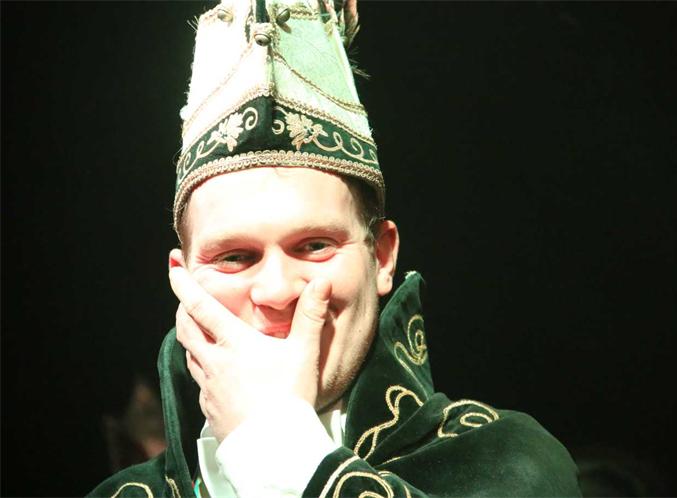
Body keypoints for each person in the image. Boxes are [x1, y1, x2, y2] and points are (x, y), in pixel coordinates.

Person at [89, 0, 580, 496]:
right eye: (234, 257)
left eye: (314, 246)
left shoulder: (509, 465)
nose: (277, 291)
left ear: (381, 257)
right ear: (184, 276)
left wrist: (271, 451)